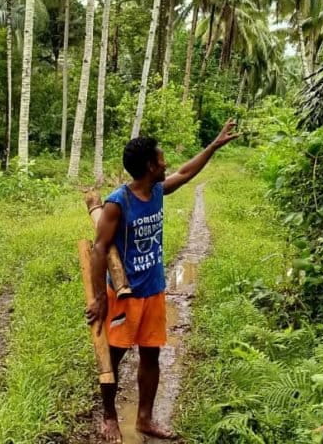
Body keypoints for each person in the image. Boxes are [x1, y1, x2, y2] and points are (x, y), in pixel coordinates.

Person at [86, 119, 239, 442]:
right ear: (148, 166)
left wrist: (213, 145)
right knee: (111, 359)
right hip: (125, 297)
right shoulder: (118, 203)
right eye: (160, 159)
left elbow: (184, 174)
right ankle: (110, 416)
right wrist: (100, 296)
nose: (165, 163)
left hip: (154, 290)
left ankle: (144, 419)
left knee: (151, 355)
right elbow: (99, 249)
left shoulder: (156, 190)